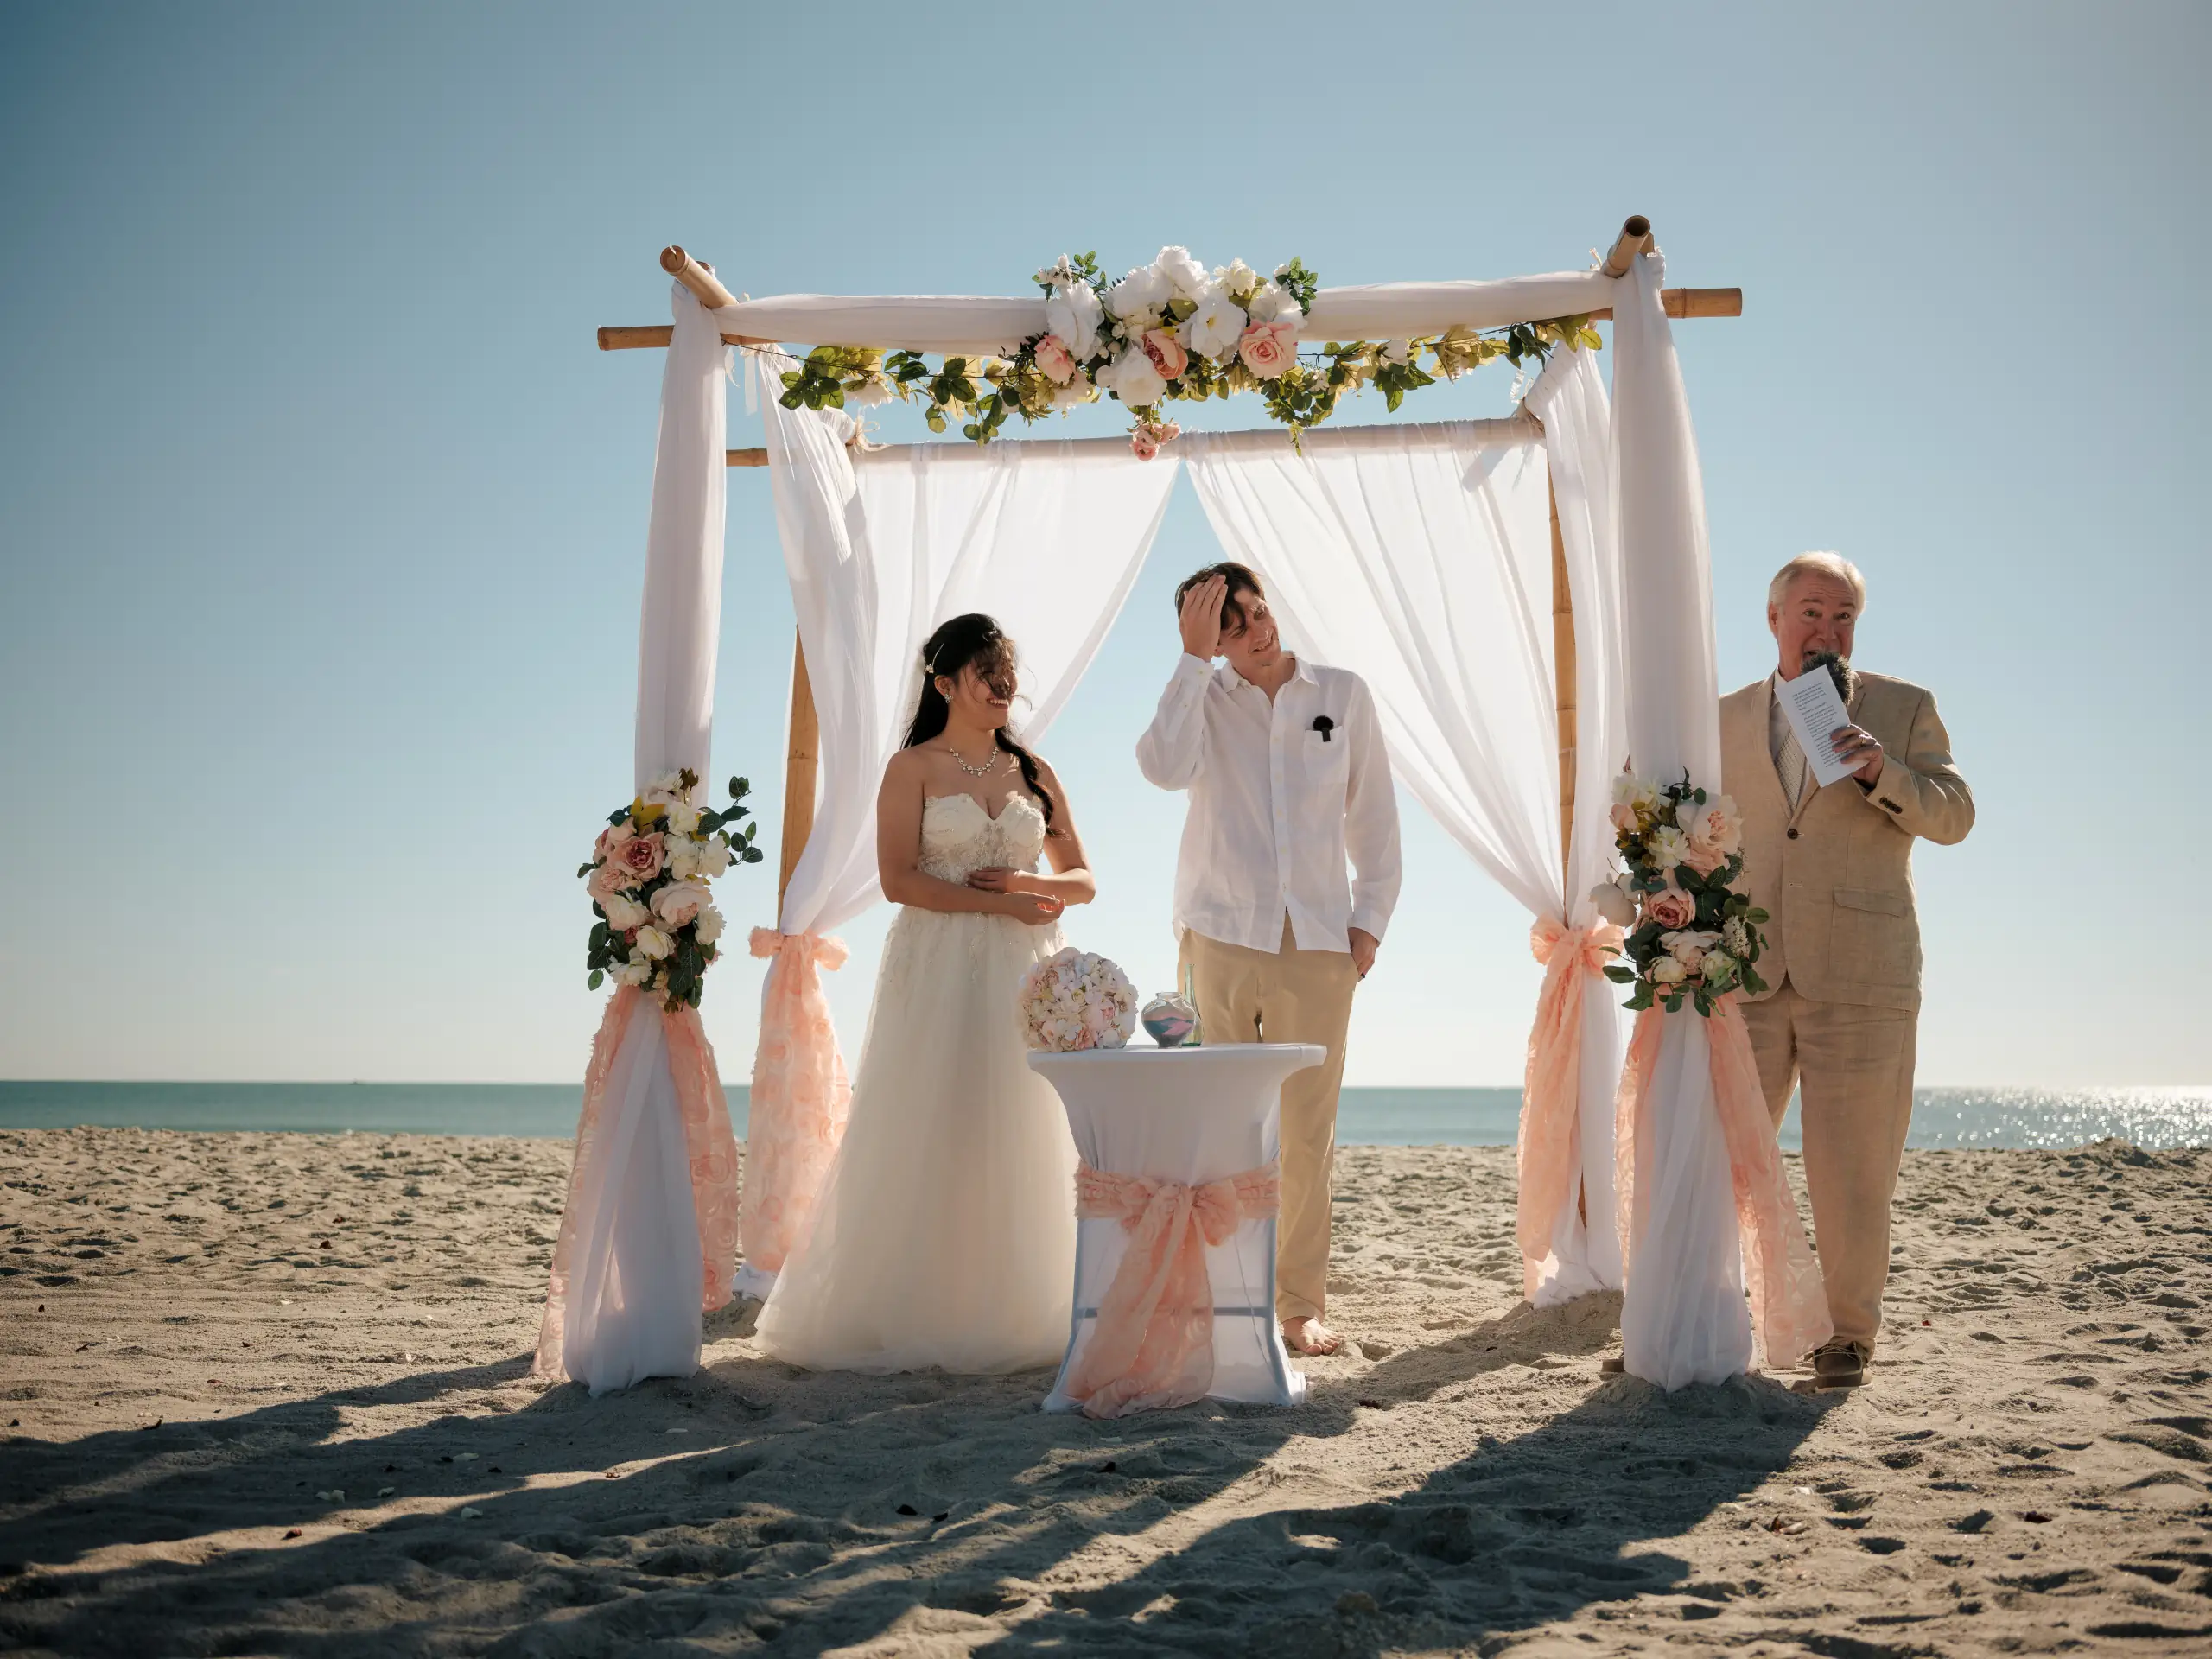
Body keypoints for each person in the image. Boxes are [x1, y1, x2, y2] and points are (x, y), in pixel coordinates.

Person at [754, 614, 1091, 1374]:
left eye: (1007, 669)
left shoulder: (1034, 770)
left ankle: (1022, 1305)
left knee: (1022, 1127)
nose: (1005, 683)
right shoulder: (911, 769)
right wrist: (1001, 906)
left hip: (1025, 970)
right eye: (986, 670)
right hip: (940, 967)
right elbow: (900, 881)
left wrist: (1027, 885)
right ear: (944, 683)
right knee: (936, 1122)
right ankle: (925, 1306)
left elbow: (1083, 879)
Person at [1719, 552, 1974, 1390]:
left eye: (1843, 617)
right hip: (1746, 972)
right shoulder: (1720, 719)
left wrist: (1881, 772)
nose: (1826, 630)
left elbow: (1954, 815)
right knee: (1719, 1162)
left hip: (1864, 978)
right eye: (1812, 612)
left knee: (1854, 1171)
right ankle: (1702, 1325)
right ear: (1773, 618)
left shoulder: (1903, 708)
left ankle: (1847, 1336)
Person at [1136, 563, 1401, 1358]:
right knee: (1218, 1126)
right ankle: (1222, 1297)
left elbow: (1375, 819)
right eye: (1231, 626)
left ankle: (1296, 1308)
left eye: (1256, 611)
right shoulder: (1201, 699)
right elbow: (1161, 768)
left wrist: (1367, 927)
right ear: (1207, 640)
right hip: (1217, 938)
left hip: (1319, 945)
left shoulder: (1342, 695)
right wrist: (1191, 662)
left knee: (1306, 1133)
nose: (1256, 629)